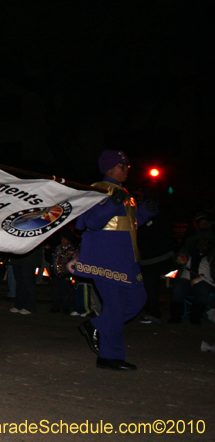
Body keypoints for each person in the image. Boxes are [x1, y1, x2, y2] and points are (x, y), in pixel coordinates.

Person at [75, 150, 156, 370]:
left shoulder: (122, 192)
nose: (126, 170)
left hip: (126, 258)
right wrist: (113, 203)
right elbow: (92, 221)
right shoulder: (99, 190)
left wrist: (144, 214)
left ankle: (96, 324)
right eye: (122, 166)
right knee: (117, 307)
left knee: (137, 301)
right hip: (106, 258)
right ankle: (109, 356)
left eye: (127, 166)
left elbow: (125, 224)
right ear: (109, 168)